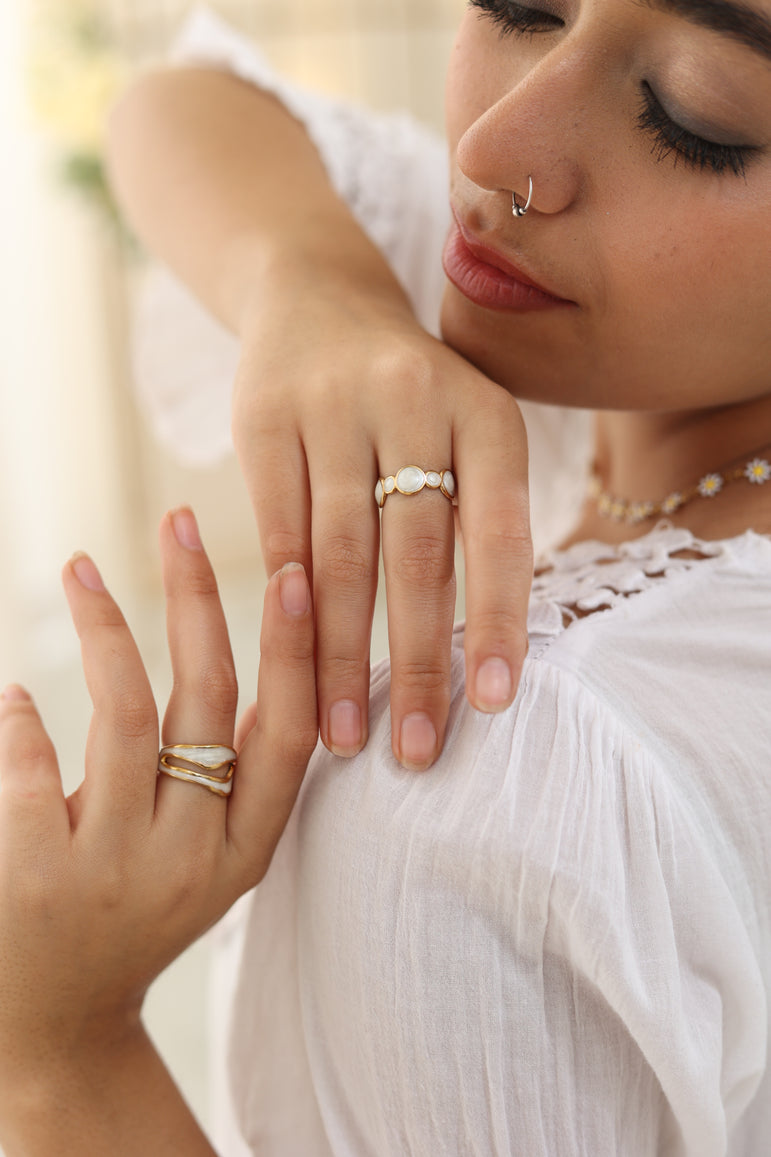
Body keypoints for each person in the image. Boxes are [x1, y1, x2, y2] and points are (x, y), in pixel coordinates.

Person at [1, 0, 770, 1153]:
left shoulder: (491, 776)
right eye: (523, 7)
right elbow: (177, 108)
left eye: (689, 117)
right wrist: (310, 285)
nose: (490, 150)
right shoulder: (613, 385)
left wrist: (58, 1044)